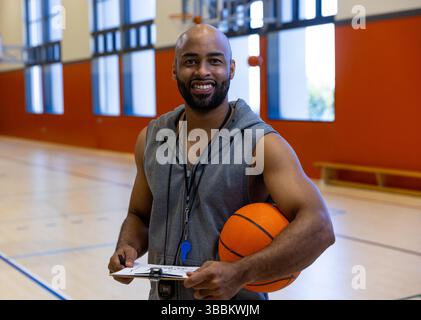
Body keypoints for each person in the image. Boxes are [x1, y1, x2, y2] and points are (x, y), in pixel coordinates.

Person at [108, 24, 335, 300]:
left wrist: (241, 271)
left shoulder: (261, 144)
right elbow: (140, 215)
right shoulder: (151, 139)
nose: (202, 71)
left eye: (214, 61)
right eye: (190, 61)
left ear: (232, 68)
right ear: (174, 69)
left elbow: (319, 226)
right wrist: (127, 247)